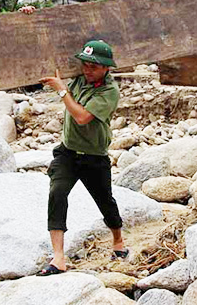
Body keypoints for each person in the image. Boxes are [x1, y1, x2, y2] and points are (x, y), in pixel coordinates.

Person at [36, 40, 126, 276]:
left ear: (107, 68)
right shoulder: (77, 78)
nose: (87, 70)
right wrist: (30, 16)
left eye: (94, 67)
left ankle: (118, 240)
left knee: (105, 200)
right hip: (67, 152)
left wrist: (62, 90)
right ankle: (58, 258)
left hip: (94, 156)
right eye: (85, 65)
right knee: (57, 193)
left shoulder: (109, 91)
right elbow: (45, 54)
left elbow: (82, 117)